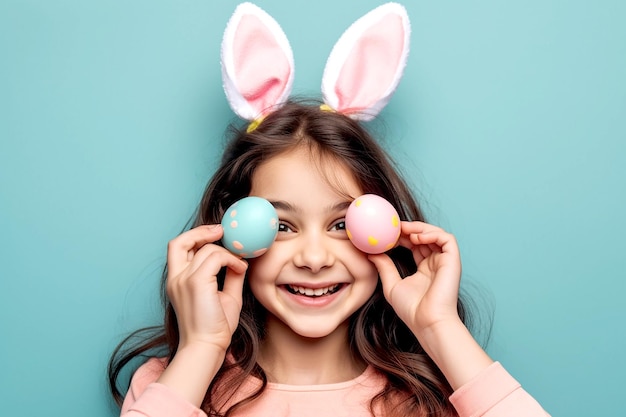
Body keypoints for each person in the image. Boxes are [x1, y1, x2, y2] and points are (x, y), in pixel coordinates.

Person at [109, 3, 550, 417]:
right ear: (228, 232)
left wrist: (440, 329)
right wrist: (201, 348)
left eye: (341, 223)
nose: (314, 258)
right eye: (281, 225)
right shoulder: (172, 387)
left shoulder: (427, 398)